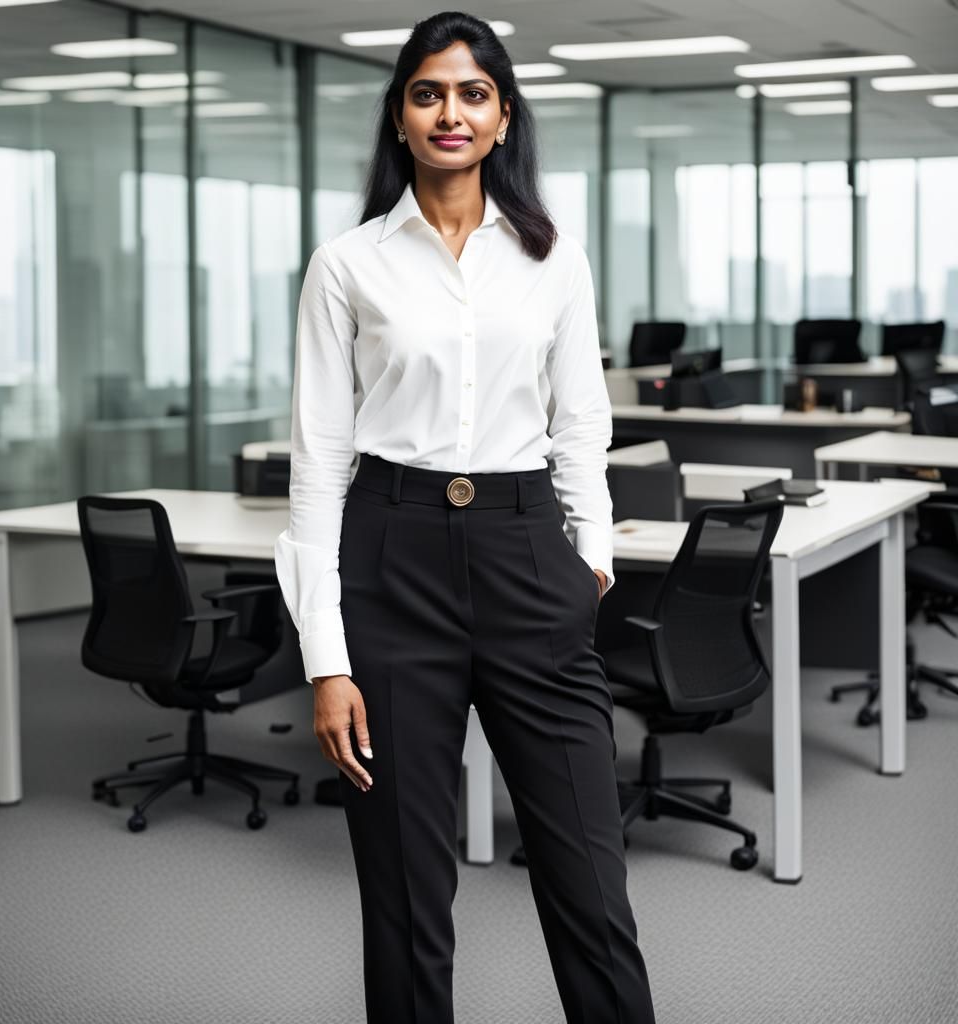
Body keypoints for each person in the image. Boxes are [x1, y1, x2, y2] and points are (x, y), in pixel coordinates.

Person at [274, 11, 656, 1023]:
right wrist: (327, 656)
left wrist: (591, 563)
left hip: (529, 555)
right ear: (400, 116)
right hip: (389, 562)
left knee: (588, 882)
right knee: (403, 895)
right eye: (429, 92)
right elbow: (317, 466)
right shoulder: (346, 265)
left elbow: (582, 424)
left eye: (473, 93)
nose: (452, 111)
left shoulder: (552, 258)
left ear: (502, 118)